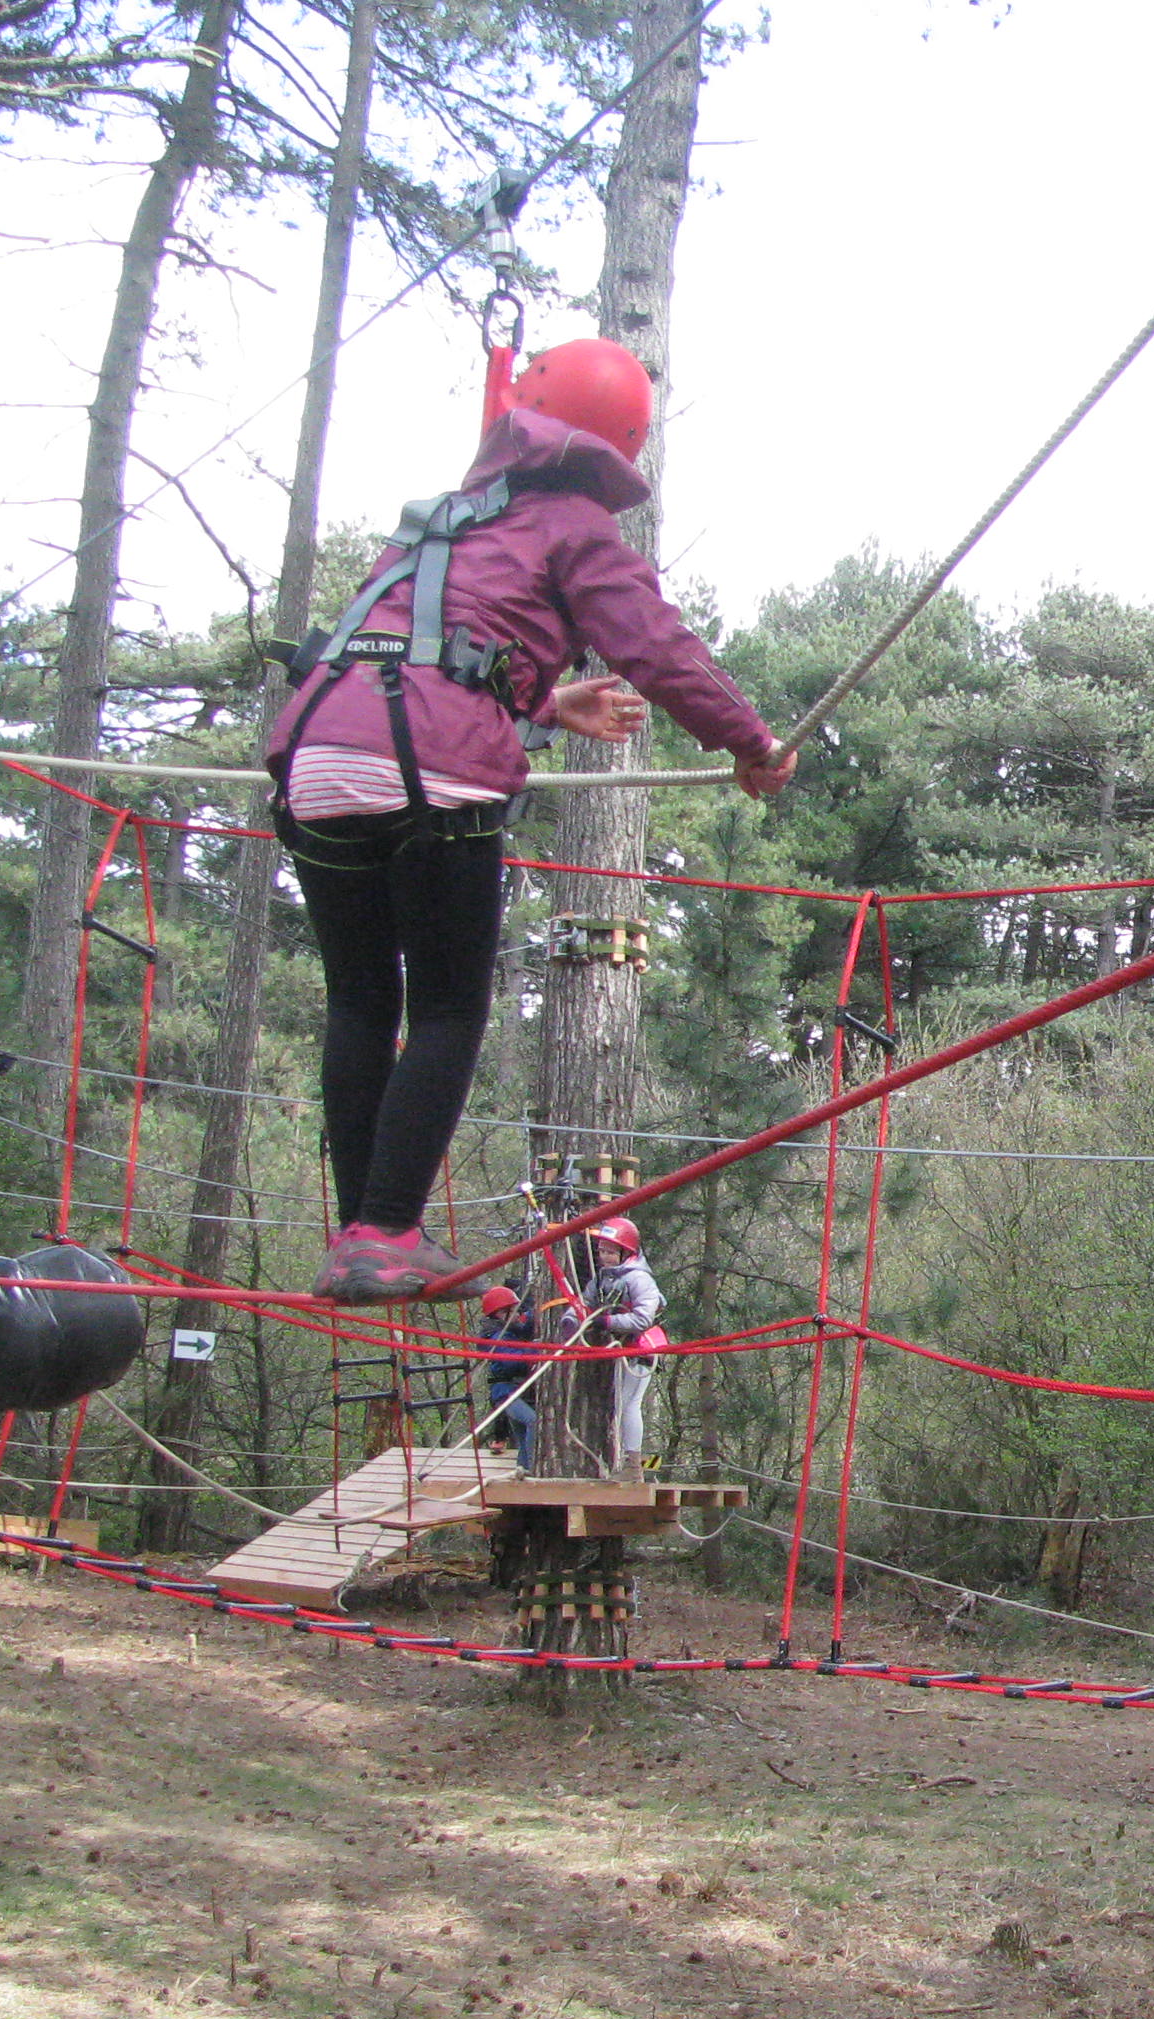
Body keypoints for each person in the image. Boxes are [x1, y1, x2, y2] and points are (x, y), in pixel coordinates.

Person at [268, 338, 800, 1305]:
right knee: (445, 1006)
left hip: (311, 759)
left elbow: (417, 651)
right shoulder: (575, 523)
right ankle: (387, 1232)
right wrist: (751, 740)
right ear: (622, 441)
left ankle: (363, 1232)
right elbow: (655, 643)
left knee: (359, 1000)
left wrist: (549, 707)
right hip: (426, 777)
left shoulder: (439, 524)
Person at [577, 1215, 665, 1469]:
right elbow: (585, 1304)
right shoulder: (604, 1278)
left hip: (641, 1347)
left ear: (625, 1252)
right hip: (623, 1348)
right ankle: (626, 1461)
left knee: (629, 1404)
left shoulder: (639, 1279)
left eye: (610, 1251)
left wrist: (607, 1323)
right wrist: (573, 1318)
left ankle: (634, 1465)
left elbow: (642, 1319)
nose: (604, 1257)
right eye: (602, 1251)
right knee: (619, 1405)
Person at [476, 1284, 542, 1472]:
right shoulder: (495, 1337)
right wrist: (537, 1348)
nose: (516, 1314)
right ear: (500, 1314)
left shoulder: (509, 1331)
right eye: (512, 1311)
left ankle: (522, 1470)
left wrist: (535, 1310)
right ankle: (530, 1469)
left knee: (522, 1436)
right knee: (533, 1422)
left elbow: (525, 1328)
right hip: (505, 1393)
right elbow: (512, 1361)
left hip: (514, 1392)